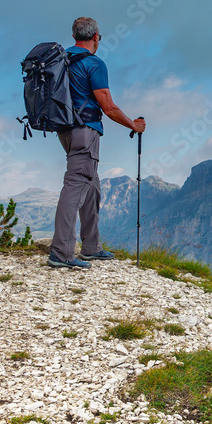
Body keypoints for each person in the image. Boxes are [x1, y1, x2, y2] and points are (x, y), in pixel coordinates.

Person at [48, 17, 146, 269]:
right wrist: (133, 125)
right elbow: (108, 107)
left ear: (74, 37)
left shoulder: (61, 60)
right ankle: (61, 253)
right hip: (85, 130)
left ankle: (91, 247)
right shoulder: (93, 63)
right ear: (96, 37)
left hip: (64, 130)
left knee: (91, 185)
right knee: (75, 187)